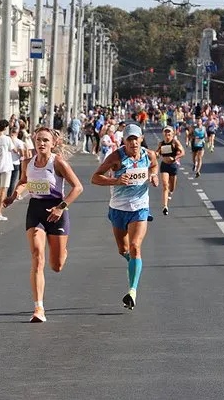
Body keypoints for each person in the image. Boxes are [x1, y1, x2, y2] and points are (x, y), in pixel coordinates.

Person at [4, 127, 84, 323]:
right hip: (36, 210)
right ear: (34, 140)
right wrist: (14, 195)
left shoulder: (58, 163)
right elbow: (24, 181)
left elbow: (78, 187)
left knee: (56, 266)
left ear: (53, 143)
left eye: (45, 140)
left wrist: (61, 207)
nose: (41, 144)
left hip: (56, 211)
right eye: (38, 139)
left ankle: (62, 252)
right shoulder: (27, 162)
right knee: (37, 256)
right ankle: (38, 308)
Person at [91, 124, 159, 310]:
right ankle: (135, 265)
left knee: (136, 246)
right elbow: (95, 178)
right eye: (130, 139)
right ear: (124, 141)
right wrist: (116, 181)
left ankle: (132, 291)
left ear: (141, 138)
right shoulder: (115, 158)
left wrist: (154, 176)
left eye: (136, 138)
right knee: (124, 250)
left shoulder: (149, 155)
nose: (134, 142)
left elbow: (154, 166)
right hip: (118, 209)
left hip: (139, 208)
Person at [156, 126, 184, 215]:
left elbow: (183, 152)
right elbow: (157, 152)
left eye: (169, 134)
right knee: (165, 185)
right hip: (164, 165)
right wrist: (156, 154)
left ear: (172, 134)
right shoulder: (161, 143)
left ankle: (170, 193)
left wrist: (175, 157)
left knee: (171, 187)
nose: (167, 135)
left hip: (172, 165)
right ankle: (165, 206)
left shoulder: (175, 142)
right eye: (165, 133)